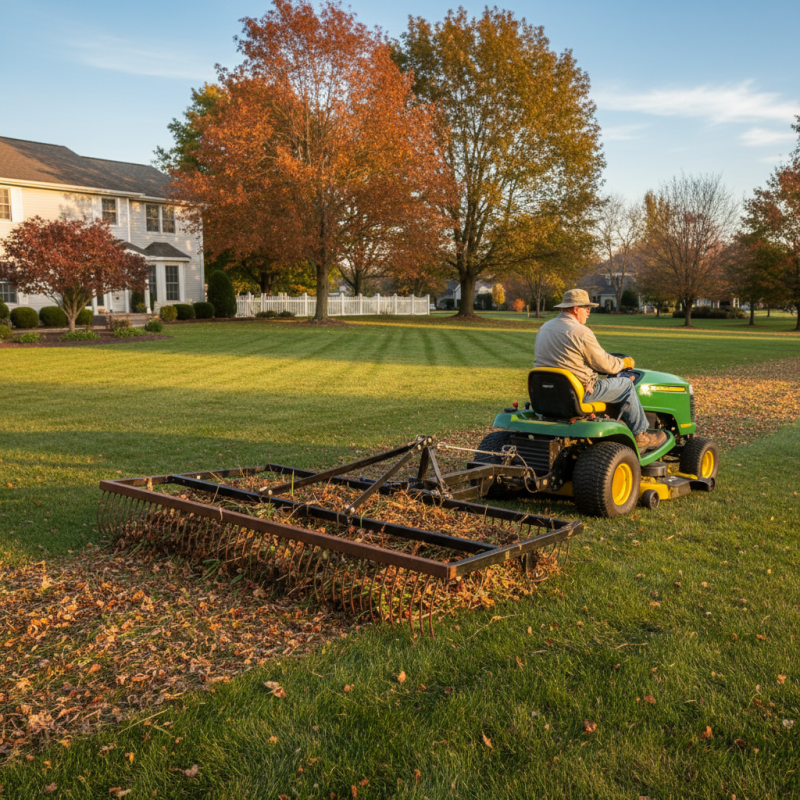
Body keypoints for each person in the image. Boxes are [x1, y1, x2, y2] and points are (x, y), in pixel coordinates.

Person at [534, 288, 667, 451]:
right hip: (578, 394)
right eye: (586, 308)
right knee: (625, 384)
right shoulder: (580, 332)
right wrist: (623, 362)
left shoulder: (544, 328)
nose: (589, 312)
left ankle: (616, 424)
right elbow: (605, 364)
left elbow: (568, 359)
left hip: (548, 394)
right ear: (576, 309)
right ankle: (641, 434)